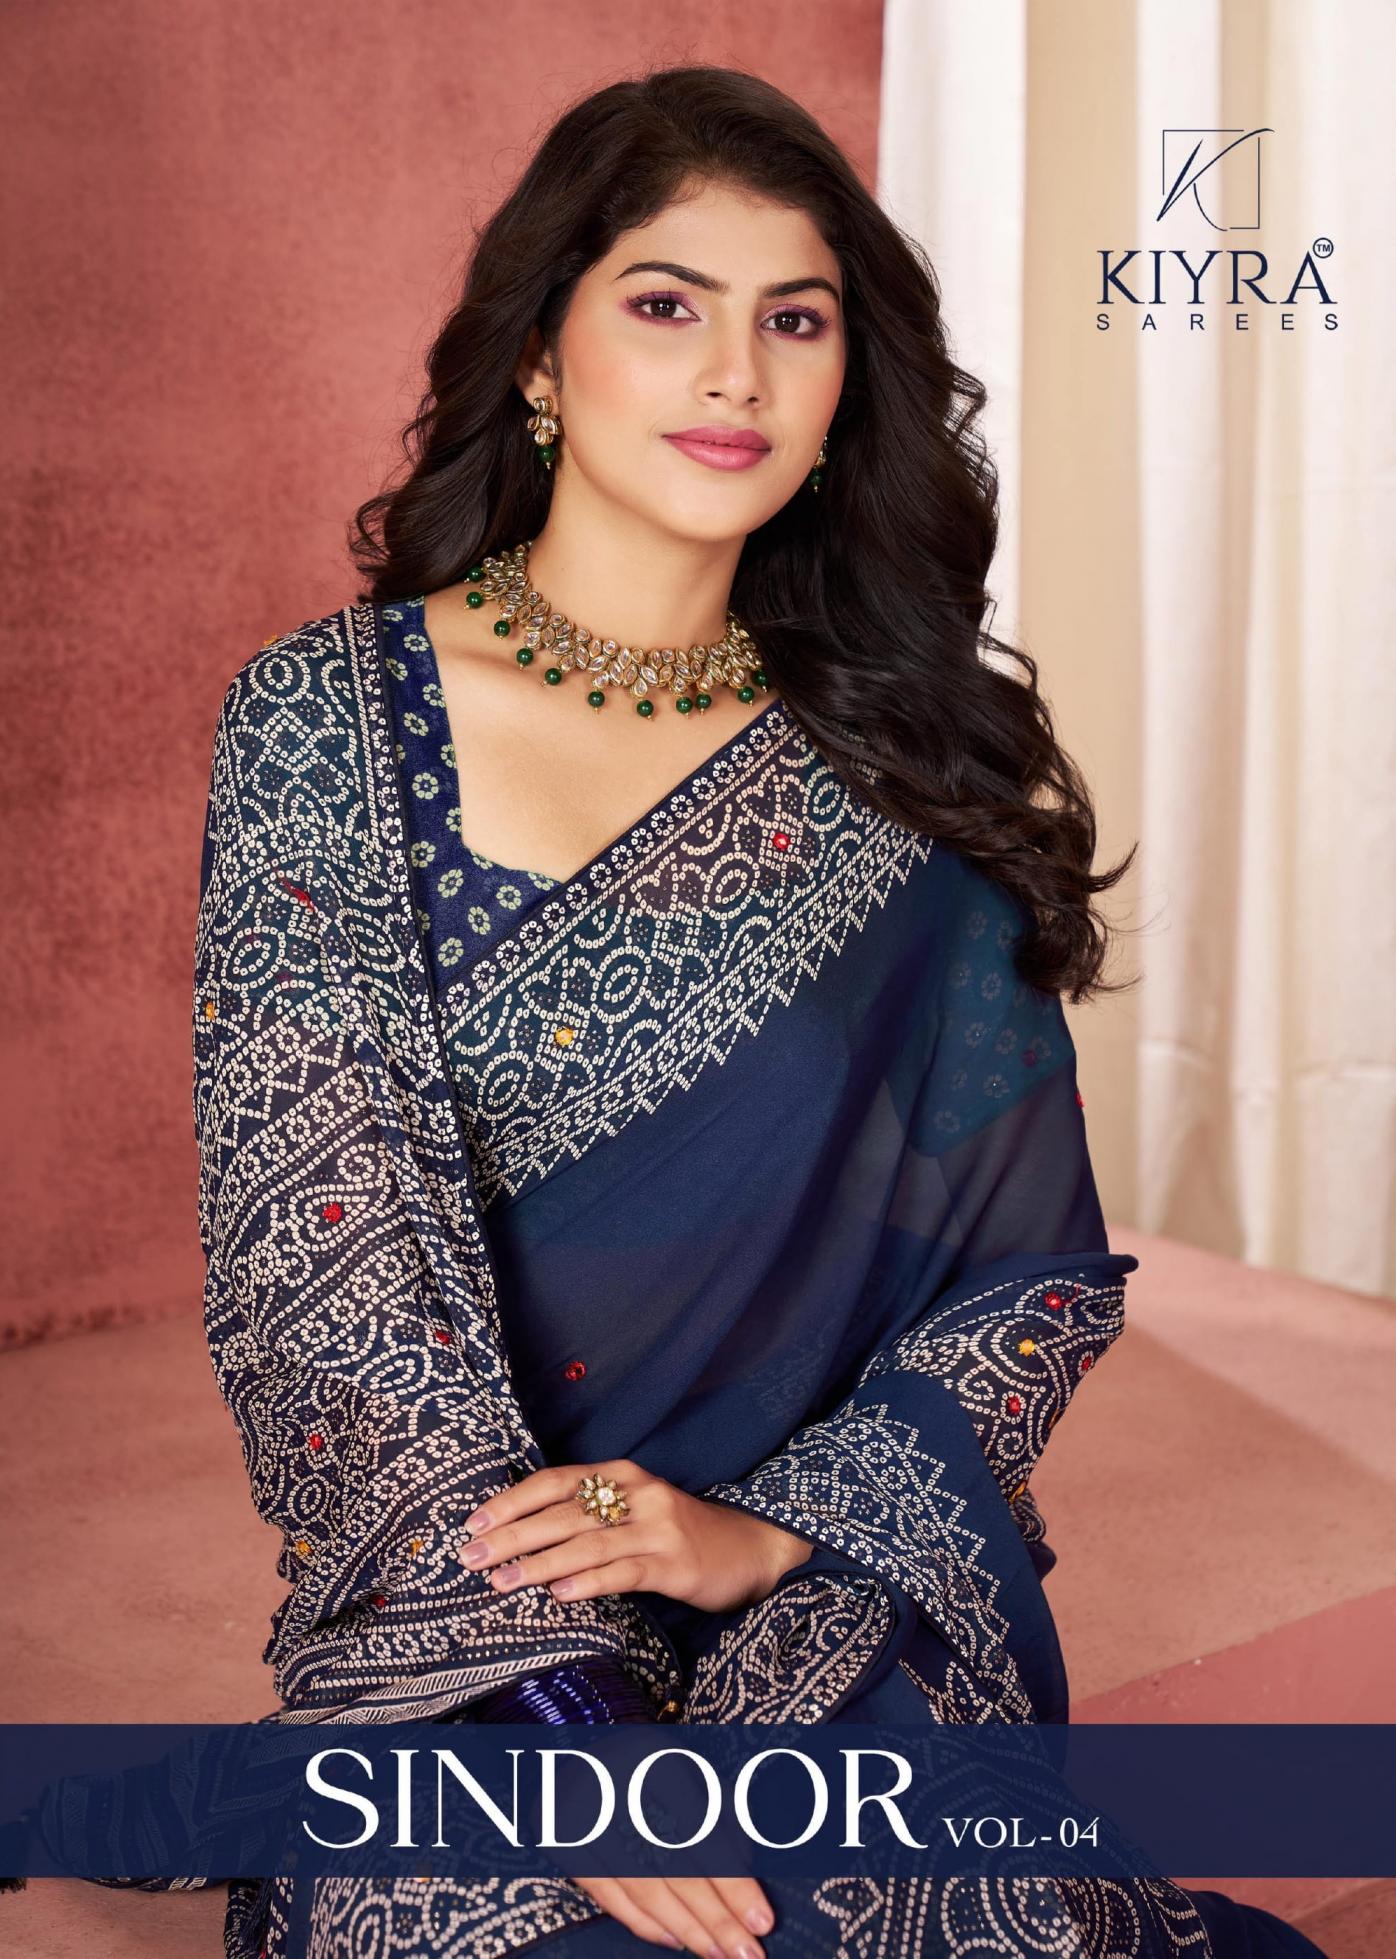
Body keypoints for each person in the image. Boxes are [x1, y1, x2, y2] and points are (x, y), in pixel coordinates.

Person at [91, 62, 1329, 1959]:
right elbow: (321, 1262)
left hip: (816, 1589)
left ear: (845, 391)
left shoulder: (900, 777)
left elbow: (1021, 1284)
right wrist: (570, 1726)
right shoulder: (327, 721)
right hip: (464, 1618)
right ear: (541, 354)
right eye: (667, 305)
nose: (734, 375)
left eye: (795, 322)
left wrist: (760, 1536)